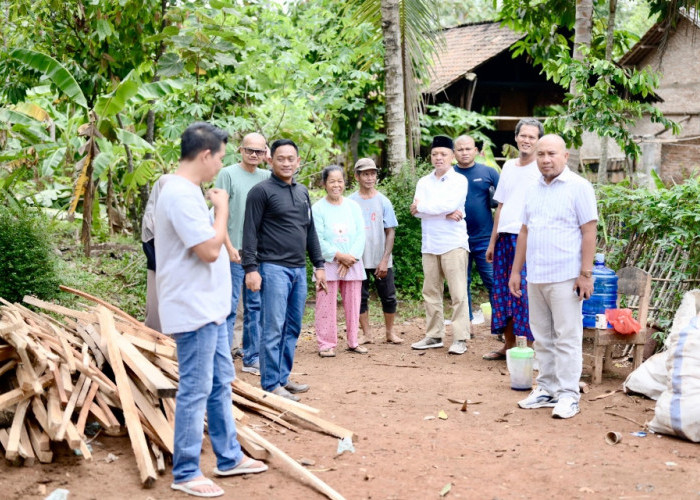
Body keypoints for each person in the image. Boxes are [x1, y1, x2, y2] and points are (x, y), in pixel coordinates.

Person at [155, 122, 267, 498]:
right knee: (196, 387)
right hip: (195, 308)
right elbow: (208, 250)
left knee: (220, 382)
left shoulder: (188, 192)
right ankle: (186, 471)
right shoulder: (179, 194)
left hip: (212, 308)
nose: (220, 164)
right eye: (219, 157)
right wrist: (222, 210)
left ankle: (229, 457)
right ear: (205, 155)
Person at [509, 134, 598, 419]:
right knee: (542, 337)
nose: (545, 159)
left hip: (566, 277)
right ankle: (546, 389)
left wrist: (586, 274)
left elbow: (589, 231)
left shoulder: (579, 187)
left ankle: (569, 395)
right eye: (541, 154)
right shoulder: (532, 188)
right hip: (536, 276)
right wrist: (515, 271)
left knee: (567, 337)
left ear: (565, 156)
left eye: (551, 154)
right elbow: (525, 230)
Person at [242, 139, 327, 402]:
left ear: (298, 161)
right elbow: (250, 232)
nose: (287, 163)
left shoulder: (302, 192)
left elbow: (309, 231)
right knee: (273, 327)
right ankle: (270, 384)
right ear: (271, 160)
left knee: (292, 326)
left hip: (298, 269)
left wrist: (319, 265)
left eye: (291, 158)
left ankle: (282, 377)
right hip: (273, 268)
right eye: (281, 158)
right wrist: (251, 268)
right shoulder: (260, 192)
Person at [482, 118, 543, 361]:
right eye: (523, 136)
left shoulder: (541, 167)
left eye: (532, 137)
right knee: (501, 291)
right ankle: (507, 346)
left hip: (527, 237)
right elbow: (501, 206)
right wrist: (492, 241)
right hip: (504, 237)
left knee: (524, 292)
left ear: (538, 141)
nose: (527, 140)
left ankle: (529, 348)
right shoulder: (507, 166)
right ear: (516, 138)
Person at [215, 132, 271, 375]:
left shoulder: (268, 177)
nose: (254, 155)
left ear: (266, 153)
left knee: (255, 307)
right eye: (250, 150)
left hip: (260, 255)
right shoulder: (227, 174)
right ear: (240, 150)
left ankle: (251, 357)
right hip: (234, 251)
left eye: (259, 151)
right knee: (228, 307)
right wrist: (228, 247)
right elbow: (220, 214)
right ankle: (224, 357)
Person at [410, 136, 471, 355]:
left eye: (443, 154)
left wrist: (432, 208)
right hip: (430, 243)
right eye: (435, 154)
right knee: (430, 291)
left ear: (452, 156)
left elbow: (449, 204)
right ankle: (434, 335)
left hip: (453, 243)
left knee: (457, 293)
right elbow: (416, 212)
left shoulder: (459, 180)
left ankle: (460, 338)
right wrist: (443, 211)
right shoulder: (424, 182)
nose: (438, 158)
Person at [312, 165, 368, 357]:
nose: (336, 185)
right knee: (325, 304)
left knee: (353, 302)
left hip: (352, 262)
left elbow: (361, 234)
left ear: (345, 182)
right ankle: (326, 344)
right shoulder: (317, 208)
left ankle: (353, 341)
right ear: (324, 184)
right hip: (327, 264)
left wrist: (349, 258)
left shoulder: (353, 206)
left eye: (340, 181)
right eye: (332, 181)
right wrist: (339, 256)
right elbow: (317, 238)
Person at [349, 158, 403, 345]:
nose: (370, 177)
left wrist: (384, 259)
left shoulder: (383, 201)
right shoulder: (350, 202)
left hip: (380, 258)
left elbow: (390, 231)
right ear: (357, 176)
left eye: (372, 173)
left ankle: (390, 332)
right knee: (359, 297)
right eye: (365, 174)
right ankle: (367, 334)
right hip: (357, 260)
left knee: (388, 296)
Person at [452, 135, 499, 326]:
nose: (464, 152)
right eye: (460, 149)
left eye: (468, 149)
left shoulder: (489, 172)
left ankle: (501, 325)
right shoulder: (449, 174)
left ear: (476, 151)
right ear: (454, 153)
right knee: (462, 284)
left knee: (493, 281)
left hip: (485, 238)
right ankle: (466, 324)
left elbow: (504, 201)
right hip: (456, 239)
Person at [141, 173, 174, 332]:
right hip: (157, 267)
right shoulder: (151, 215)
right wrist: (161, 266)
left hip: (177, 268)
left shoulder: (178, 211)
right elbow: (147, 243)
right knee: (156, 304)